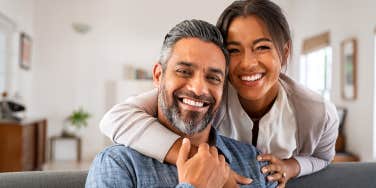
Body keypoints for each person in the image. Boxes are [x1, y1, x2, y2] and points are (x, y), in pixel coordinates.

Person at [100, 0, 339, 187]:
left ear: (285, 52)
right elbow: (116, 118)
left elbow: (324, 157)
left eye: (262, 47)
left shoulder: (314, 111)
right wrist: (200, 162)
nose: (247, 63)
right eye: (234, 50)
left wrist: (292, 166)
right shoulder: (206, 95)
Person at [86, 19, 275, 188]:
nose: (199, 89)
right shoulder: (118, 164)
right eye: (184, 71)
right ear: (158, 76)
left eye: (213, 77)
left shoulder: (254, 161)